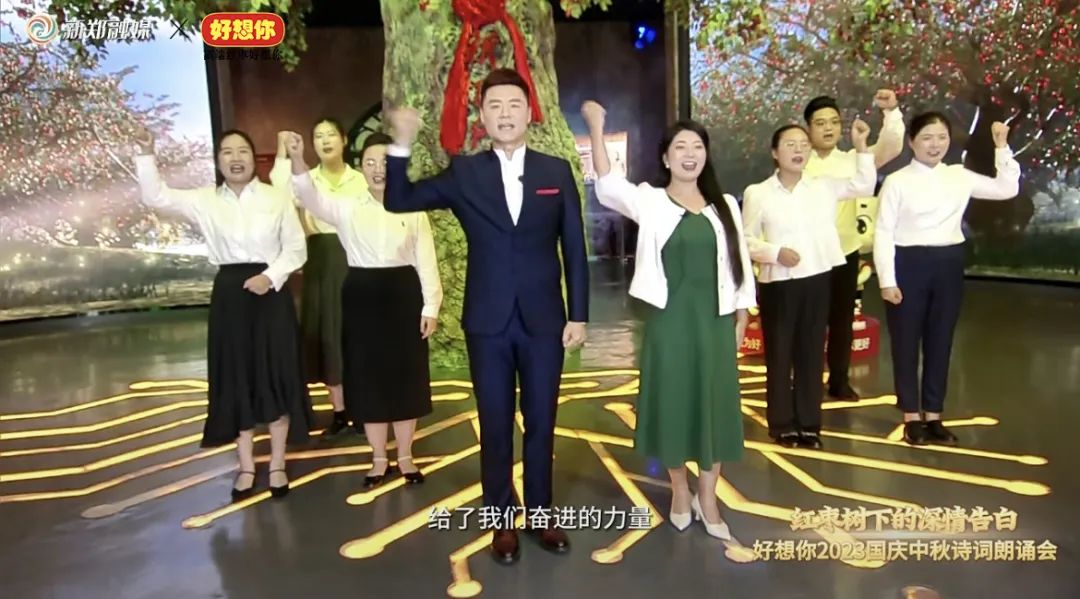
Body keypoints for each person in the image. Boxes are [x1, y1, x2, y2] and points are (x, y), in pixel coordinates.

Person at [383, 68, 589, 564]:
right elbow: (398, 199)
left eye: (514, 104)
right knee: (495, 425)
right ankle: (501, 520)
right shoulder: (465, 173)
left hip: (544, 321)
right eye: (494, 105)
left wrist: (578, 315)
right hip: (487, 322)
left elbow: (574, 250)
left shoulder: (556, 171)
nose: (505, 113)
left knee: (542, 421)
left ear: (529, 112)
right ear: (482, 116)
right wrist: (401, 144)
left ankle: (540, 514)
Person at [585, 101, 755, 540]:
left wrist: (743, 312)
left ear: (706, 155)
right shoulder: (652, 201)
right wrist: (597, 126)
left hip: (715, 320)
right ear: (665, 157)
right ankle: (680, 490)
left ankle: (708, 496)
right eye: (680, 146)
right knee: (674, 403)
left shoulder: (724, 206)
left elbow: (739, 263)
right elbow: (607, 184)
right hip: (668, 321)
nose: (689, 154)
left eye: (697, 146)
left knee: (715, 405)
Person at [133, 127, 312, 501]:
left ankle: (277, 463)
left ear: (253, 158)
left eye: (242, 151)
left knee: (276, 373)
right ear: (217, 161)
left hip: (271, 293)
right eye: (227, 152)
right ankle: (246, 466)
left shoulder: (276, 197)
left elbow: (296, 249)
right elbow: (155, 196)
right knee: (237, 377)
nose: (235, 158)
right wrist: (146, 153)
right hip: (231, 296)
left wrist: (269, 277)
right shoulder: (204, 200)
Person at [286, 131, 442, 485]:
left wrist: (431, 306)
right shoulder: (346, 206)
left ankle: (405, 457)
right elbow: (309, 196)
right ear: (361, 167)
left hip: (404, 295)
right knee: (367, 377)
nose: (378, 168)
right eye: (370, 162)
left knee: (405, 378)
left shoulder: (413, 207)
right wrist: (297, 158)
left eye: (385, 161)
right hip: (361, 295)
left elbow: (426, 259)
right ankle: (378, 458)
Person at [875, 113, 1019, 446]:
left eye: (941, 137)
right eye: (927, 137)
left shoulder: (959, 176)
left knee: (941, 341)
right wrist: (887, 280)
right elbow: (883, 232)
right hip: (908, 263)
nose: (935, 144)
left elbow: (1006, 189)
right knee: (906, 342)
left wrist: (1002, 147)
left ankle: (934, 414)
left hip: (948, 264)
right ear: (912, 142)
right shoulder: (897, 181)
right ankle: (911, 416)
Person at [742, 122, 875, 449]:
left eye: (803, 144)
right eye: (790, 144)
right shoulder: (758, 193)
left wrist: (861, 147)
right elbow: (745, 239)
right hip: (778, 284)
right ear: (775, 153)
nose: (798, 150)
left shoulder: (823, 187)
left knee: (812, 354)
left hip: (817, 279)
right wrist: (775, 252)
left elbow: (864, 183)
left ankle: (809, 424)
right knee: (779, 354)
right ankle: (782, 424)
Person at [803, 90, 905, 401]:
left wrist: (891, 112)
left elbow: (891, 146)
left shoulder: (853, 160)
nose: (829, 128)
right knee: (808, 320)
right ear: (808, 128)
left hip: (844, 251)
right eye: (821, 123)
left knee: (842, 319)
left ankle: (839, 379)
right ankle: (806, 379)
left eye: (834, 122)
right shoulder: (797, 161)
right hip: (806, 254)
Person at [270, 118, 368, 437]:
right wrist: (283, 153)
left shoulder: (360, 179)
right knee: (327, 337)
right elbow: (278, 191)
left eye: (331, 135)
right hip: (321, 262)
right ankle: (339, 411)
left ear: (344, 140)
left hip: (357, 258)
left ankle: (362, 407)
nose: (325, 141)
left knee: (356, 336)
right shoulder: (304, 179)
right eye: (318, 136)